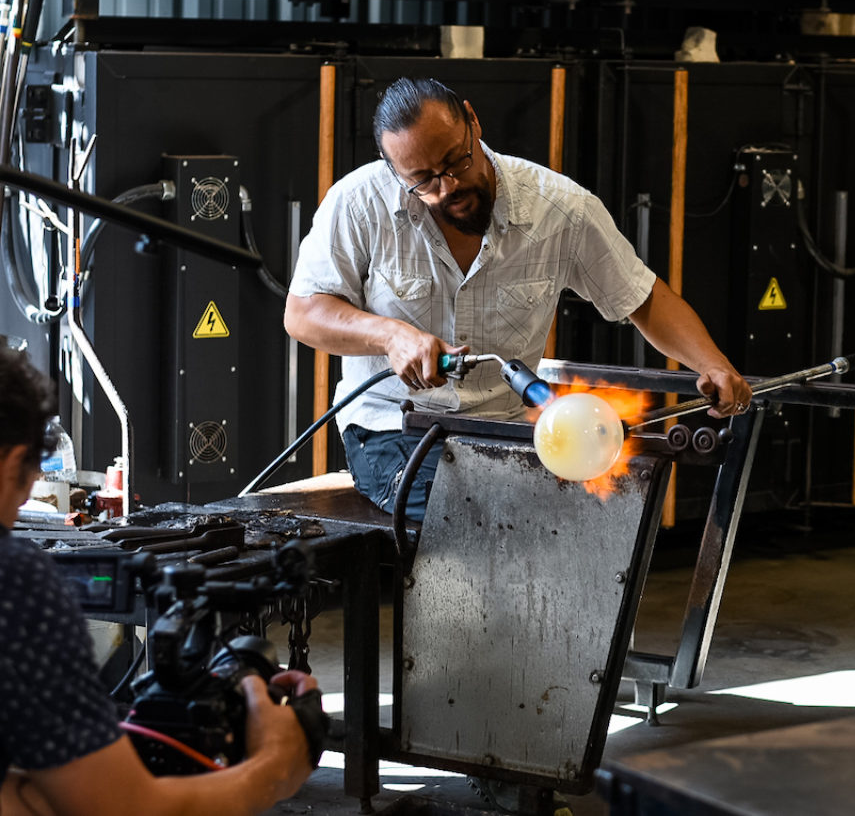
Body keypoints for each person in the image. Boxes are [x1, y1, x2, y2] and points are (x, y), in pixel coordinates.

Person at [285, 77, 753, 520]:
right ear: (393, 170)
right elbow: (303, 314)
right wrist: (390, 336)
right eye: (424, 180)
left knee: (599, 511)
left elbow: (643, 298)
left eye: (456, 161)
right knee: (464, 514)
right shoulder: (359, 203)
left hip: (511, 427)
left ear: (473, 122)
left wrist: (711, 364)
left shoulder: (560, 209)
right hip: (392, 427)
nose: (448, 188)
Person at [0, 345, 321, 816]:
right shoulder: (16, 583)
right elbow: (128, 809)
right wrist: (276, 765)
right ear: (14, 463)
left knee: (27, 795)